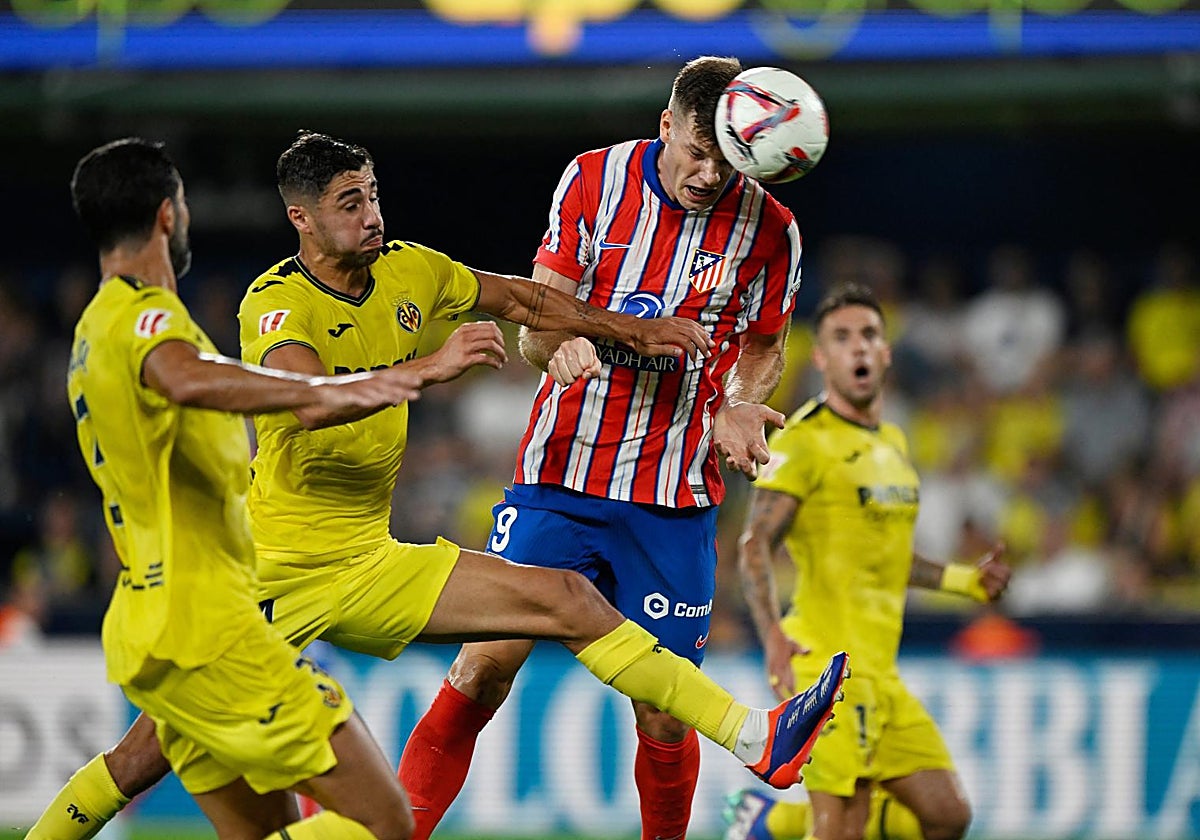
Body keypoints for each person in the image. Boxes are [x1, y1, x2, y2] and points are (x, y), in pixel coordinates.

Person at [25, 131, 848, 839]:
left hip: (371, 558)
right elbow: (302, 396)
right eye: (349, 202)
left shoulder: (411, 271)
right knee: (153, 763)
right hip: (273, 570)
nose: (371, 214)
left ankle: (753, 737)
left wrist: (634, 329)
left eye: (373, 195)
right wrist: (425, 369)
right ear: (299, 219)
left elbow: (525, 298)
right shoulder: (266, 301)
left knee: (563, 597)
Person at [398, 55, 805, 840]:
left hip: (675, 497)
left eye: (725, 157)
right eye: (695, 151)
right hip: (562, 475)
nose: (708, 173)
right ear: (666, 125)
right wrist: (556, 347)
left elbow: (765, 344)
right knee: (485, 665)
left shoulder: (772, 230)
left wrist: (742, 406)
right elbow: (535, 320)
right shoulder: (594, 180)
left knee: (663, 708)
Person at [48, 136, 431, 840]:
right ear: (168, 216)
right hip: (211, 626)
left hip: (150, 622)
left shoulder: (91, 332)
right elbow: (184, 377)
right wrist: (355, 384)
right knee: (387, 823)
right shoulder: (146, 320)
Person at [721, 283, 1012, 840]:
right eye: (842, 337)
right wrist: (774, 638)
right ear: (823, 358)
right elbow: (754, 543)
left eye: (869, 336)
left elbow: (889, 556)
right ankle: (777, 819)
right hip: (825, 669)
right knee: (841, 830)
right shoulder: (803, 441)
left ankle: (771, 819)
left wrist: (964, 581)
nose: (858, 347)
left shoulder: (894, 443)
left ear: (886, 354)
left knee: (948, 816)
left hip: (882, 675)